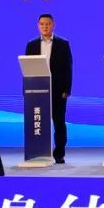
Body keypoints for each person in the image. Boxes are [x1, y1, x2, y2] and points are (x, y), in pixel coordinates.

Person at [25, 14, 73, 164]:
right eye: (42, 24)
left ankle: (59, 153)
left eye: (48, 24)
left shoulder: (63, 44)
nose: (45, 26)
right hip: (37, 90)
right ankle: (39, 151)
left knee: (59, 122)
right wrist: (26, 90)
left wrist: (66, 89)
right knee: (39, 121)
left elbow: (68, 68)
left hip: (58, 90)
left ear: (53, 25)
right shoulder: (31, 45)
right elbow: (27, 69)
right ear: (38, 26)